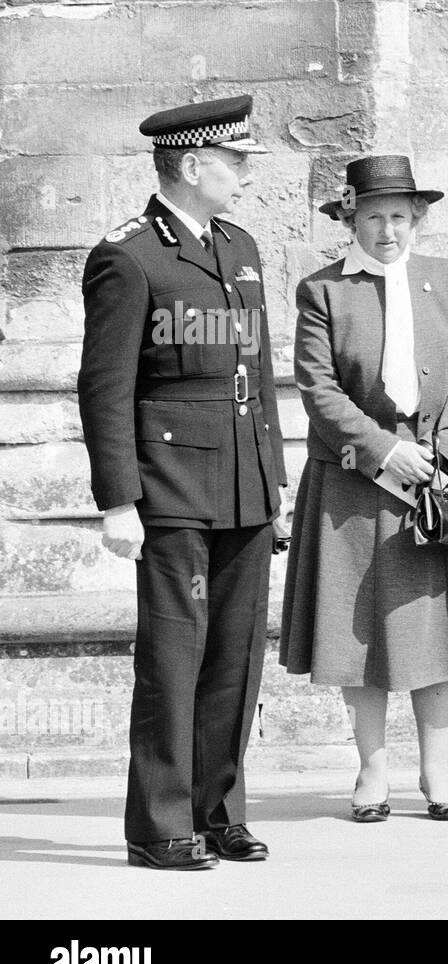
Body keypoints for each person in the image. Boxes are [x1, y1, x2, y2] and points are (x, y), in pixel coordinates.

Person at [78, 96, 289, 869]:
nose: (243, 176)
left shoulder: (240, 247)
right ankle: (161, 825)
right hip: (168, 485)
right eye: (235, 163)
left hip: (242, 483)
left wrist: (274, 476)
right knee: (173, 657)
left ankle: (218, 809)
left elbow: (257, 371)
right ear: (193, 166)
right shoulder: (128, 257)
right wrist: (117, 500)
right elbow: (103, 387)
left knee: (235, 657)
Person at [280, 155, 448, 823]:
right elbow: (317, 388)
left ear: (417, 219)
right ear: (350, 218)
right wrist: (387, 452)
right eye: (374, 217)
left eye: (400, 217)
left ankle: (437, 772)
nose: (388, 230)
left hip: (441, 478)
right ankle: (371, 770)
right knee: (362, 633)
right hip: (357, 482)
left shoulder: (447, 279)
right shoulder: (323, 291)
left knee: (436, 630)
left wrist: (443, 452)